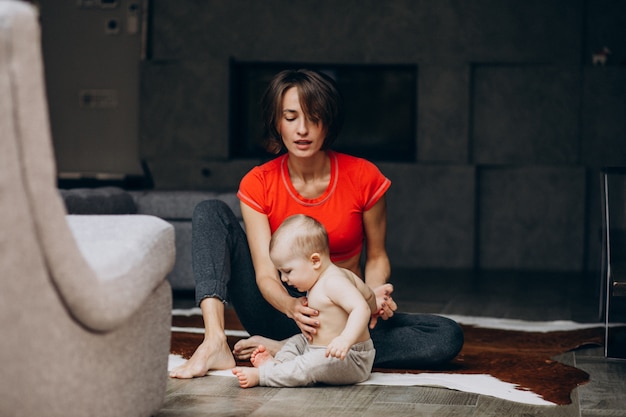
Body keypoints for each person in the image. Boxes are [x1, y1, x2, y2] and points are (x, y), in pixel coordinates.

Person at [169, 68, 463, 379]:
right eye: (291, 117)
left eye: (314, 116)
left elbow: (376, 256)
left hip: (343, 315)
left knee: (445, 335)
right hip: (282, 312)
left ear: (329, 120)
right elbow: (266, 274)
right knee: (210, 211)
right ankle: (215, 341)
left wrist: (373, 296)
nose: (303, 129)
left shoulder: (364, 177)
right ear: (276, 121)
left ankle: (292, 351)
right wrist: (291, 306)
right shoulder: (259, 183)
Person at [232, 214, 376, 388]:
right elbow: (368, 296)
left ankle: (264, 375)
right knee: (296, 342)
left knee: (311, 365)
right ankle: (278, 366)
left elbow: (361, 307)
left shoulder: (334, 281)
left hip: (348, 357)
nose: (284, 279)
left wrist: (345, 339)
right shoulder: (325, 278)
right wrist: (376, 305)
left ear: (315, 261)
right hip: (319, 350)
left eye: (288, 271)